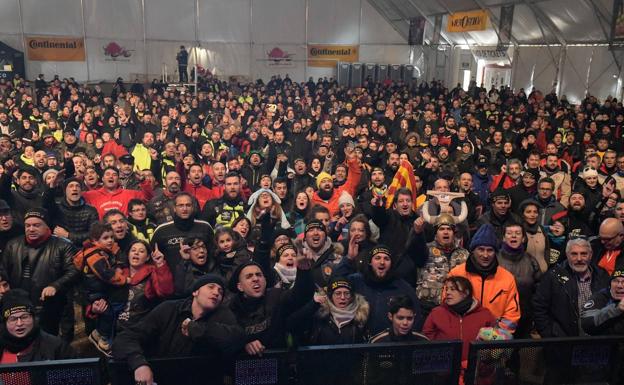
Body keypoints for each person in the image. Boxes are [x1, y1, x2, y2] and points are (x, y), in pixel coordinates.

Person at [113, 274, 246, 385]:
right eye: (211, 287)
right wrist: (139, 364)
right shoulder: (169, 309)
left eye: (220, 291)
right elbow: (126, 337)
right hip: (164, 378)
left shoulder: (223, 314)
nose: (216, 292)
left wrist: (198, 330)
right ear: (195, 292)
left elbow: (237, 339)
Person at [2, 208, 79, 336]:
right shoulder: (13, 245)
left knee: (47, 339)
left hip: (50, 305)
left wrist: (56, 285)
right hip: (19, 304)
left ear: (47, 226)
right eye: (28, 225)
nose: (31, 229)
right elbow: (4, 270)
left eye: (36, 225)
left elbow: (74, 270)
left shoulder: (63, 246)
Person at [448, 223, 520, 334]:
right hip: (461, 336)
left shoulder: (507, 278)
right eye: (481, 249)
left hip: (494, 340)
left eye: (490, 250)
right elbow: (447, 307)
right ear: (473, 250)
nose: (485, 255)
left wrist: (496, 336)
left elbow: (512, 314)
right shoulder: (456, 274)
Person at [335, 245, 423, 335]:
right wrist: (348, 259)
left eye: (386, 259)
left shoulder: (403, 287)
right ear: (370, 262)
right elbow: (335, 283)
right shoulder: (357, 281)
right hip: (360, 343)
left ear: (391, 264)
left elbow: (416, 318)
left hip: (390, 344)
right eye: (377, 258)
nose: (382, 262)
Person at [533, 238, 610, 337]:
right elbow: (539, 307)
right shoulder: (553, 276)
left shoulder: (602, 275)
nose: (579, 259)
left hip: (598, 340)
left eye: (583, 254)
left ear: (590, 255)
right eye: (574, 254)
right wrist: (550, 335)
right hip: (564, 342)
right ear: (567, 255)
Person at [422, 277, 495, 375]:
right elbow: (426, 340)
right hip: (444, 374)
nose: (447, 292)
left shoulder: (485, 314)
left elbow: (495, 344)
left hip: (476, 373)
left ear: (466, 293)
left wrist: (482, 362)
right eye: (446, 289)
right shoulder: (437, 313)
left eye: (453, 289)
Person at [289, 276, 370, 345]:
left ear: (352, 296)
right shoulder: (319, 315)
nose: (342, 297)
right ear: (331, 296)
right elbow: (292, 324)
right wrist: (312, 305)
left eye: (347, 293)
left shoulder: (360, 317)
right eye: (338, 293)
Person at [0, 289, 75, 363]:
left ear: (33, 318)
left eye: (24, 317)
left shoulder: (56, 347)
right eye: (13, 319)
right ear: (5, 323)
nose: (19, 323)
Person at [496, 223, 541, 337]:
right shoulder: (494, 260)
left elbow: (539, 291)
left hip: (525, 317)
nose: (513, 236)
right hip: (499, 318)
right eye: (509, 233)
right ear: (503, 238)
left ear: (523, 238)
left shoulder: (531, 261)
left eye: (517, 233)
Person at [151, 192, 214, 274]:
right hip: (171, 282)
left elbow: (213, 255)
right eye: (181, 205)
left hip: (201, 280)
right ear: (174, 208)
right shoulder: (161, 230)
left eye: (188, 205)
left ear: (193, 207)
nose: (185, 209)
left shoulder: (205, 227)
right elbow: (153, 259)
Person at [581, 269, 624, 335]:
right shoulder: (599, 297)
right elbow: (586, 323)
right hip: (605, 343)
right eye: (615, 281)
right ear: (610, 285)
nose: (619, 286)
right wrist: (617, 309)